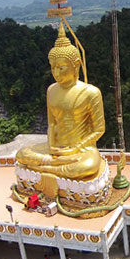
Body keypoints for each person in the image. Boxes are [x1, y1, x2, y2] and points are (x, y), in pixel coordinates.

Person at [15, 23, 105, 194]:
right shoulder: (51, 90)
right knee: (22, 154)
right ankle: (55, 168)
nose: (56, 73)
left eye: (61, 67)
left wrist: (75, 148)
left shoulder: (90, 92)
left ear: (76, 64)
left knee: (88, 166)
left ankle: (46, 170)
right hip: (56, 151)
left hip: (80, 150)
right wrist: (51, 144)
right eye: (53, 67)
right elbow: (52, 124)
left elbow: (99, 130)